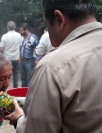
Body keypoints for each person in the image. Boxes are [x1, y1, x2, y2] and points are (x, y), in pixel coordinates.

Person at [5, 0, 102, 133]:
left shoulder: (52, 67)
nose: (48, 34)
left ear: (59, 19)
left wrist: (19, 120)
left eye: (46, 25)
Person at [0, 21, 21, 88]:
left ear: (7, 27)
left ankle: (5, 87)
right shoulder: (19, 35)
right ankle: (15, 87)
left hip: (7, 59)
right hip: (16, 58)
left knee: (6, 73)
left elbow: (1, 49)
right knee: (16, 72)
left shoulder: (4, 36)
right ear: (15, 27)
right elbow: (20, 46)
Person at [19, 23, 39, 87]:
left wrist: (37, 59)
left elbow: (37, 49)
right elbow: (20, 47)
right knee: (23, 77)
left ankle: (29, 94)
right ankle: (23, 93)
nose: (20, 32)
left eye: (22, 30)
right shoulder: (21, 37)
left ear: (26, 30)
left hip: (29, 61)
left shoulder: (33, 38)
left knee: (29, 78)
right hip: (22, 60)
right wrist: (19, 56)